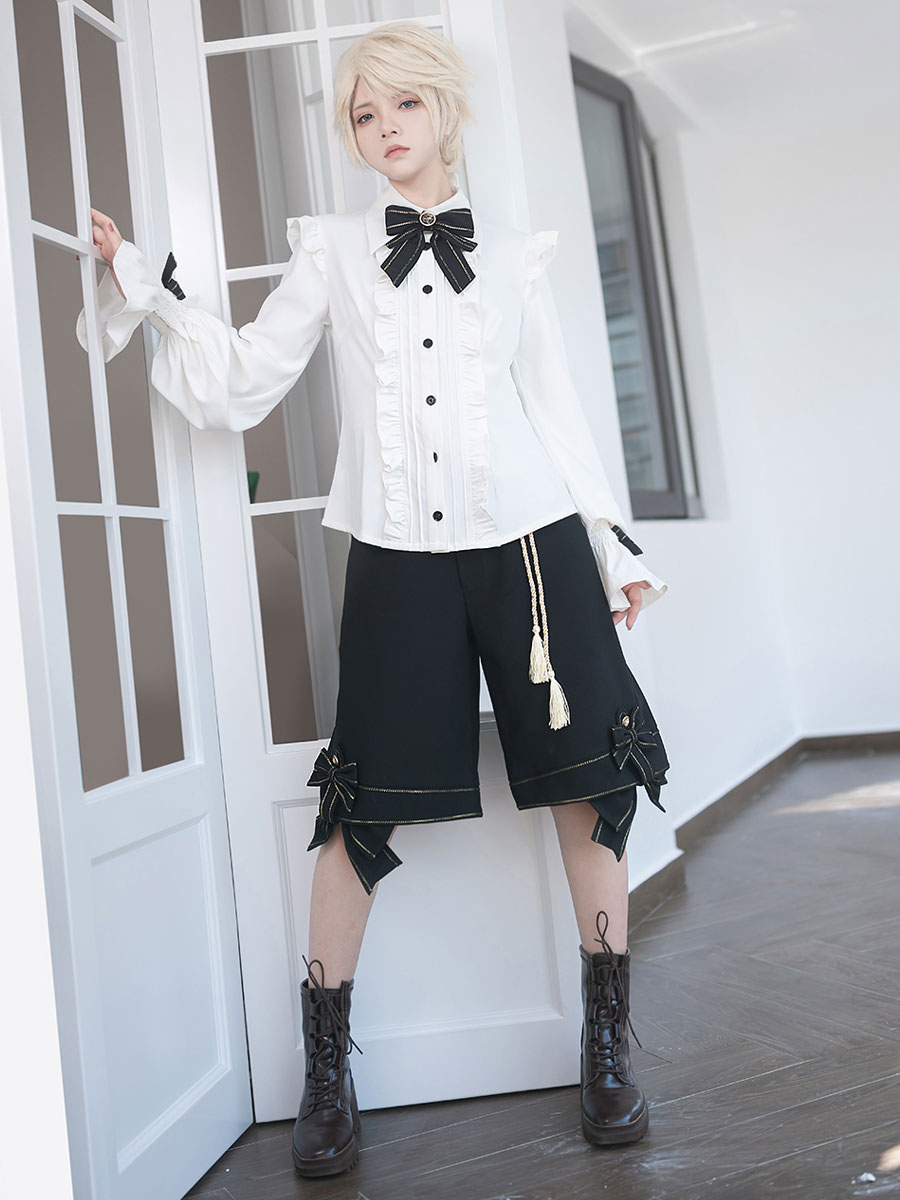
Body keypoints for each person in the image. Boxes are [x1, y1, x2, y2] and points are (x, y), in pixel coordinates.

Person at [76, 19, 671, 1179]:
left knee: (594, 785)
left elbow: (557, 414)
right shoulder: (336, 254)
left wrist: (616, 552)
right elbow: (247, 375)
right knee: (359, 806)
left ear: (444, 108)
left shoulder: (516, 254)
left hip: (534, 546)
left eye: (402, 104)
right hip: (397, 556)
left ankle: (606, 1045)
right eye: (363, 113)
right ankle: (326, 1070)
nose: (383, 128)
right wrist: (145, 286)